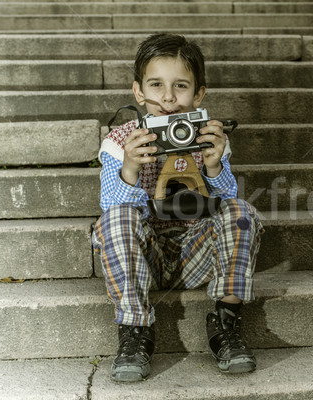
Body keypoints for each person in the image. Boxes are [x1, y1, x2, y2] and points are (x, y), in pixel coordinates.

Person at [91, 33, 263, 382]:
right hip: (144, 256)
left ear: (199, 94)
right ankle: (135, 329)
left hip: (197, 254)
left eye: (180, 86)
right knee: (117, 218)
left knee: (242, 211)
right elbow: (111, 209)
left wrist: (214, 164)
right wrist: (130, 168)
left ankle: (225, 322)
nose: (168, 98)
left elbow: (226, 199)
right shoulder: (120, 140)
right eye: (156, 85)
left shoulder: (205, 134)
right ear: (138, 92)